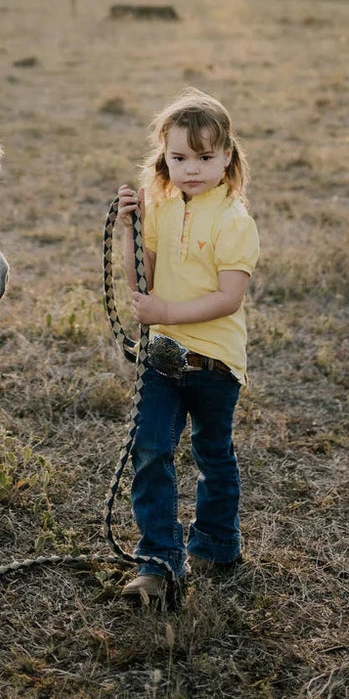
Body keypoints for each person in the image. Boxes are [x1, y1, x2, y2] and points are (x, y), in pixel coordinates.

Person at [117, 87, 260, 607]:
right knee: (151, 448)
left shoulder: (233, 221)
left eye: (204, 158)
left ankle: (217, 543)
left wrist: (166, 314)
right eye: (179, 158)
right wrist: (131, 227)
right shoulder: (160, 208)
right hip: (161, 358)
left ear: (227, 158)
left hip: (215, 364)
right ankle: (156, 561)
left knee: (211, 452)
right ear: (165, 158)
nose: (191, 169)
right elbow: (144, 277)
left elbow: (228, 298)